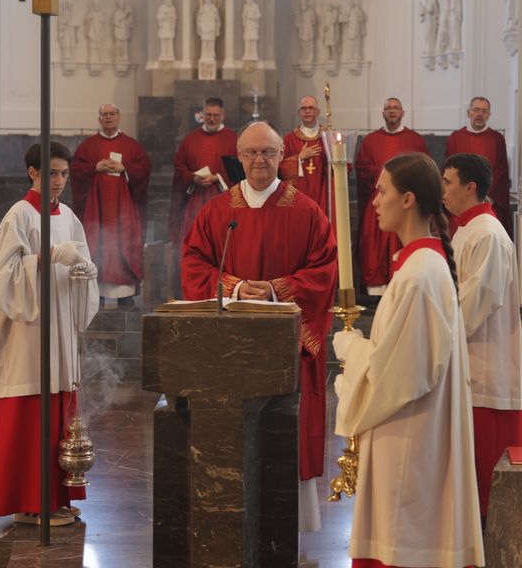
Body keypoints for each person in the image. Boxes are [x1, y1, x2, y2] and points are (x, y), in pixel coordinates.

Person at [180, 122, 337, 532]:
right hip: (229, 346)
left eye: (268, 152)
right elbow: (194, 263)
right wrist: (232, 286)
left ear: (280, 156)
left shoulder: (305, 211)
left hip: (285, 347)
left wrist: (274, 290)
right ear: (239, 156)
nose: (259, 161)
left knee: (285, 434)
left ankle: (288, 524)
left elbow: (324, 270)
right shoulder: (218, 211)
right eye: (250, 153)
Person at [333, 152, 484, 568]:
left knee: (404, 544)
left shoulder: (418, 275)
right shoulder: (422, 266)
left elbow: (399, 375)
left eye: (382, 191)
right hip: (415, 435)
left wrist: (352, 354)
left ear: (408, 200)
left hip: (409, 441)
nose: (375, 202)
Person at [0, 143, 100, 525]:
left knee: (60, 410)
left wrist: (86, 273)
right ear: (32, 173)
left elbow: (78, 262)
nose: (58, 181)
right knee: (32, 411)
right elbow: (3, 278)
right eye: (50, 173)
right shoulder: (18, 215)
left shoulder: (67, 215)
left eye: (64, 174)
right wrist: (46, 257)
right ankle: (30, 499)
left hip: (60, 326)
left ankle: (57, 497)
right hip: (29, 332)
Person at [442, 153, 522, 522]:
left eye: (447, 182)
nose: (442, 189)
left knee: (488, 464)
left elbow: (478, 300)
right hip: (466, 356)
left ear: (470, 187)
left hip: (484, 362)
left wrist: (436, 332)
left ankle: (486, 526)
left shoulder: (489, 234)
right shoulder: (466, 228)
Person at [70, 104, 151, 307]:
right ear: (99, 119)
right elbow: (75, 169)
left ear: (119, 117)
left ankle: (126, 299)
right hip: (96, 212)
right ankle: (96, 298)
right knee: (98, 247)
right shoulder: (88, 146)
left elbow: (144, 168)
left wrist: (126, 167)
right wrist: (94, 167)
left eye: (112, 114)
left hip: (125, 211)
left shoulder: (131, 146)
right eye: (104, 114)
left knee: (123, 244)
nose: (108, 118)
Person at [354, 98, 429, 295]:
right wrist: (388, 173)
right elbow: (362, 169)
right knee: (374, 248)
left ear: (403, 113)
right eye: (388, 108)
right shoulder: (370, 141)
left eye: (396, 108)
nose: (392, 111)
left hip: (406, 206)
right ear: (383, 113)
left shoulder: (415, 140)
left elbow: (424, 168)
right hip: (378, 204)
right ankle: (376, 291)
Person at [168, 97, 238, 245]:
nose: (212, 119)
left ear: (223, 115)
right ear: (202, 115)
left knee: (218, 240)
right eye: (208, 115)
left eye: (216, 115)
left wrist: (217, 178)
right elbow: (180, 167)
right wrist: (193, 178)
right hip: (195, 200)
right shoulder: (189, 140)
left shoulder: (233, 139)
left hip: (222, 199)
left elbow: (240, 170)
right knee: (194, 240)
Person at [444, 97, 513, 237]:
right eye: (476, 110)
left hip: (488, 203)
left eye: (484, 111)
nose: (479, 114)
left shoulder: (497, 139)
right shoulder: (455, 138)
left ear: (489, 115)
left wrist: (483, 197)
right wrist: (462, 197)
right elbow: (449, 172)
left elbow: (500, 172)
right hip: (460, 204)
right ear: (469, 113)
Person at [279, 95, 328, 215]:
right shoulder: (289, 139)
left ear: (318, 111)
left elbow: (341, 167)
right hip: (299, 192)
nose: (307, 111)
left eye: (311, 108)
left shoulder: (328, 137)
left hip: (323, 191)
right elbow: (279, 167)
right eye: (303, 108)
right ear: (299, 113)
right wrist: (299, 158)